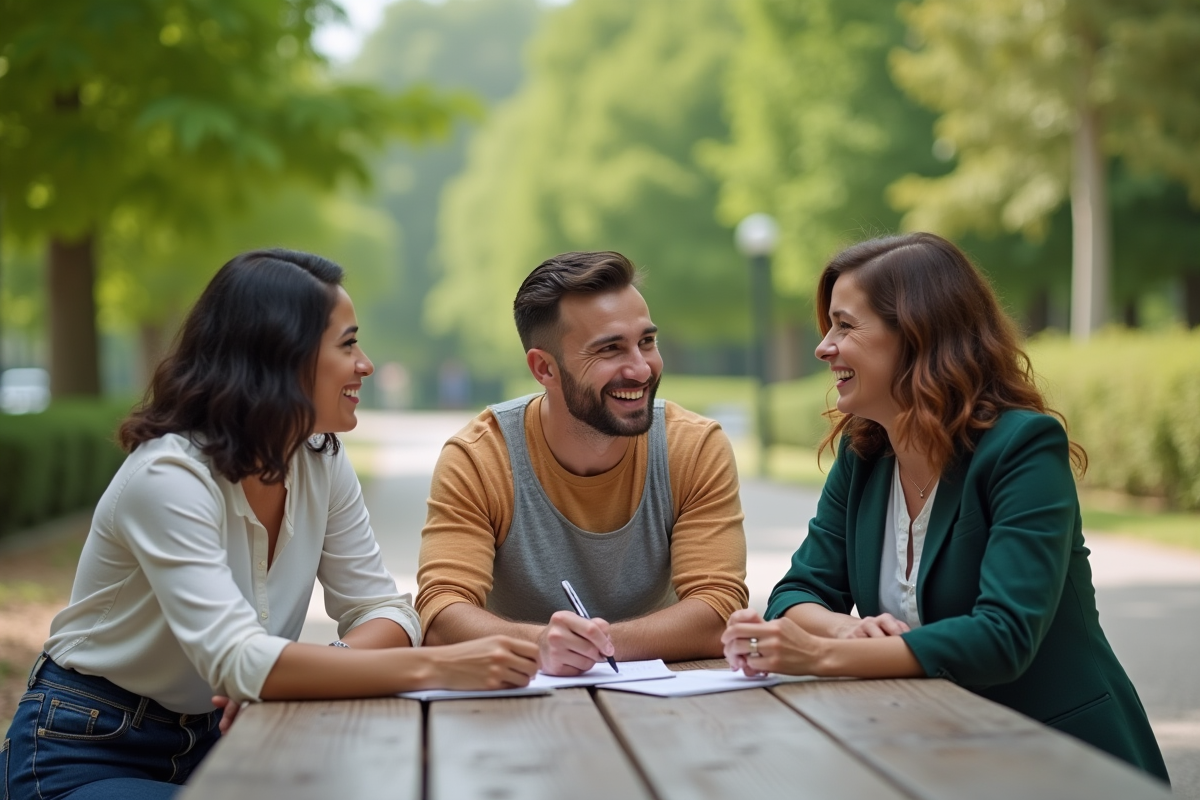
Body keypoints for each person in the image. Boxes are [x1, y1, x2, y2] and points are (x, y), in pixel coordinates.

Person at [2, 249, 539, 800]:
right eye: (348, 344)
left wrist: (298, 673)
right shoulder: (168, 476)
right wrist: (438, 668)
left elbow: (384, 609)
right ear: (283, 356)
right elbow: (238, 661)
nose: (366, 364)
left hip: (232, 734)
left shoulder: (319, 458)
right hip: (89, 745)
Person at [721, 232, 1169, 783]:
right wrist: (841, 631)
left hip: (1059, 760)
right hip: (926, 749)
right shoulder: (865, 454)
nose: (824, 346)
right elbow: (797, 591)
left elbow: (1002, 636)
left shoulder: (1023, 448)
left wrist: (819, 657)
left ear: (915, 335)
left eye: (845, 325)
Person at [417, 251, 748, 675]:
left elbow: (719, 609)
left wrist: (594, 647)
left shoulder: (694, 447)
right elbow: (441, 614)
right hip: (518, 709)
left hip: (661, 707)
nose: (641, 368)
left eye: (647, 342)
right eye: (610, 349)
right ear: (544, 369)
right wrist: (539, 645)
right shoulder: (480, 458)